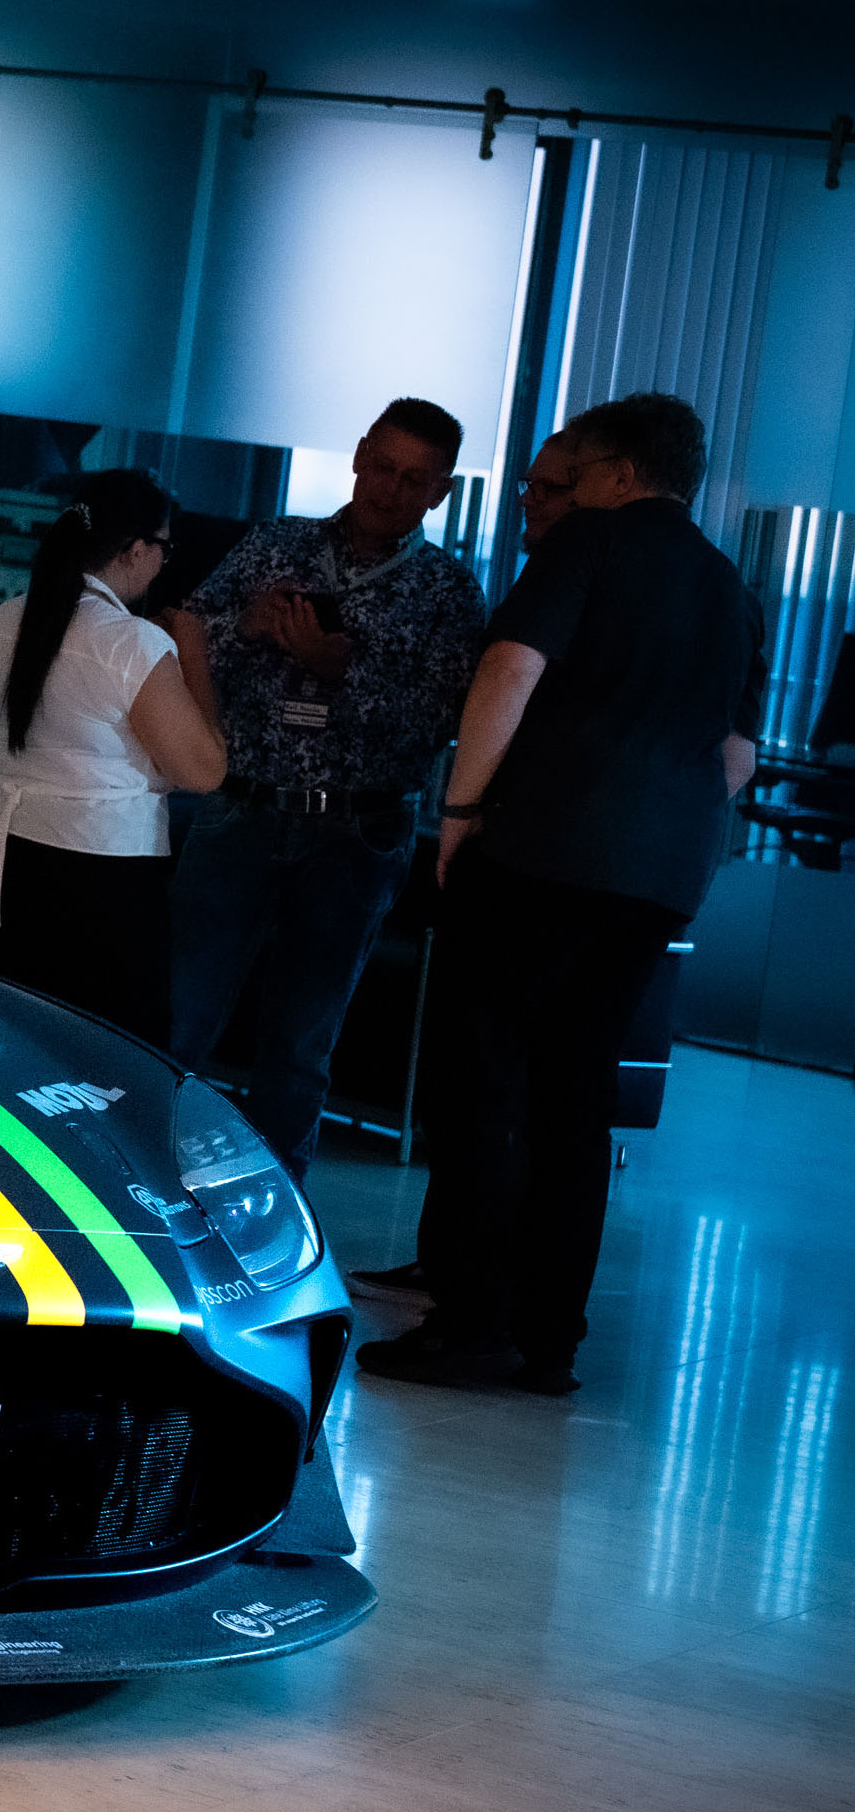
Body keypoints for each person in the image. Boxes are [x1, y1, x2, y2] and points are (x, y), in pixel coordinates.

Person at [359, 394, 765, 1396]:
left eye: (577, 474)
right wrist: (659, 823)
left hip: (545, 853)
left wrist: (461, 808)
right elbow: (736, 754)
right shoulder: (730, 587)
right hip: (660, 877)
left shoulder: (590, 543)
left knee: (482, 1082)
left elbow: (508, 670)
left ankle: (469, 1324)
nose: (566, 494)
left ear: (621, 472)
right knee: (576, 1099)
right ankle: (550, 1341)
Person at [164, 399, 485, 1179]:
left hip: (355, 834)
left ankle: (279, 1215)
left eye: (413, 480)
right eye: (383, 467)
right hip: (241, 809)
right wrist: (245, 627)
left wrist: (341, 672)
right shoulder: (275, 543)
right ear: (359, 455)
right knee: (177, 1018)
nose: (389, 490)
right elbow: (184, 644)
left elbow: (442, 722)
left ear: (440, 492)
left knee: (300, 1046)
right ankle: (137, 1184)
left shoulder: (448, 591)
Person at [346, 422, 583, 1309]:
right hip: (546, 861)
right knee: (477, 1078)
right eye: (529, 484)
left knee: (494, 1078)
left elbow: (484, 693)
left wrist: (457, 814)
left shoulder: (542, 582)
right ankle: (454, 1264)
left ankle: (476, 1282)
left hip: (522, 860)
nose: (530, 500)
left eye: (551, 488)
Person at [0, 467, 227, 1042]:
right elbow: (205, 769)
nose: (163, 563)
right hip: (98, 870)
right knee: (110, 1055)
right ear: (136, 549)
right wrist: (193, 651)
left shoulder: (8, 619)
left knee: (6, 1041)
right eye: (164, 547)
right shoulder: (132, 642)